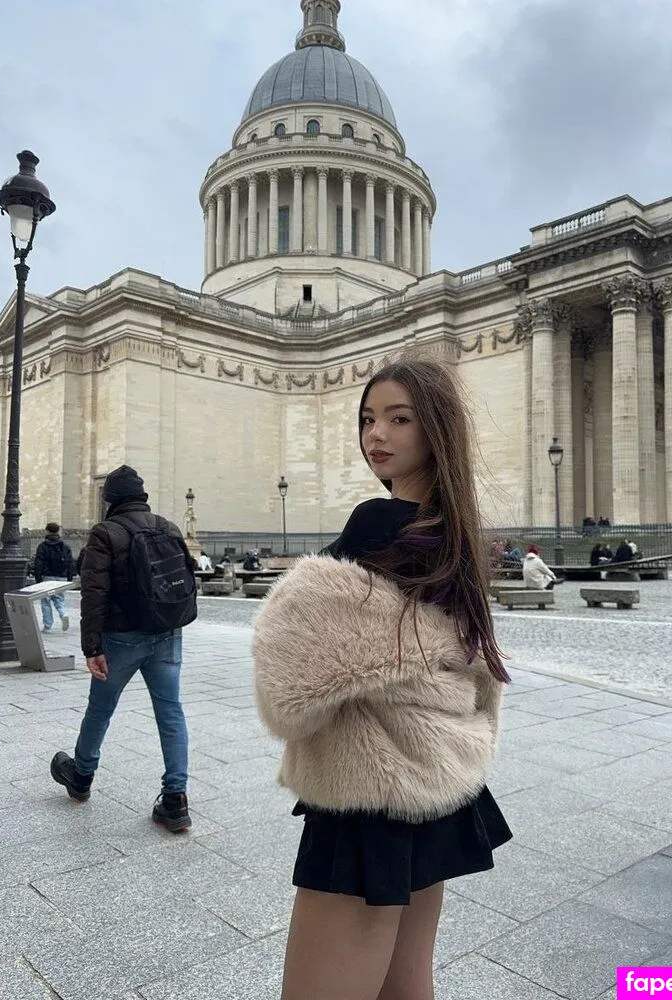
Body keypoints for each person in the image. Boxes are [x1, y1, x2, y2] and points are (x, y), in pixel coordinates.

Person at [253, 358, 512, 1000]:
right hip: (440, 785)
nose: (377, 434)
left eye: (400, 419)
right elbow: (475, 669)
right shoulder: (459, 537)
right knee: (407, 985)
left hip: (367, 789)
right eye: (368, 418)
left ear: (436, 430)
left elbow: (290, 682)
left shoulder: (375, 522)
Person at [50, 465, 198, 833]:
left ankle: (81, 776)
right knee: (171, 712)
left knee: (100, 709)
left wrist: (92, 647)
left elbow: (94, 593)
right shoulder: (168, 527)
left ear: (111, 499)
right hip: (167, 634)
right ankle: (175, 799)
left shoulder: (107, 532)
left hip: (121, 638)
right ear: (142, 495)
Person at [33, 522, 74, 632]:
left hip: (47, 577)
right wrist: (69, 577)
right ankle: (63, 613)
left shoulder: (43, 546)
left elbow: (38, 563)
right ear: (58, 531)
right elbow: (70, 562)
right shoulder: (65, 546)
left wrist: (38, 577)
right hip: (61, 577)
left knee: (46, 601)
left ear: (47, 531)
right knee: (59, 599)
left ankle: (48, 625)